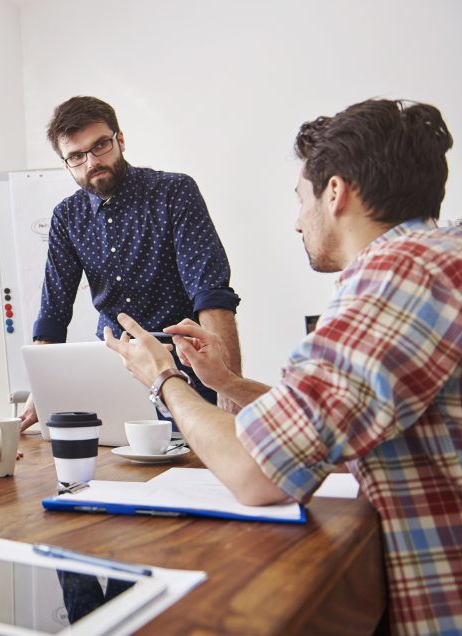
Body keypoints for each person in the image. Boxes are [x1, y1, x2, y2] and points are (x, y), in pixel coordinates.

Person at [106, 99, 460, 634]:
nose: (298, 222)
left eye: (301, 199)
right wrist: (227, 383)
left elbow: (257, 472)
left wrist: (163, 378)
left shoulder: (393, 280)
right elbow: (330, 416)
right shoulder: (434, 260)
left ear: (335, 192)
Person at [22, 96, 242, 429]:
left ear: (119, 139)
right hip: (116, 374)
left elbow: (211, 293)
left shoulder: (173, 192)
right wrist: (39, 392)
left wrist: (230, 384)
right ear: (67, 164)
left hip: (187, 365)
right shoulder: (67, 217)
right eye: (77, 156)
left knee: (202, 468)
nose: (92, 162)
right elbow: (53, 313)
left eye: (100, 146)